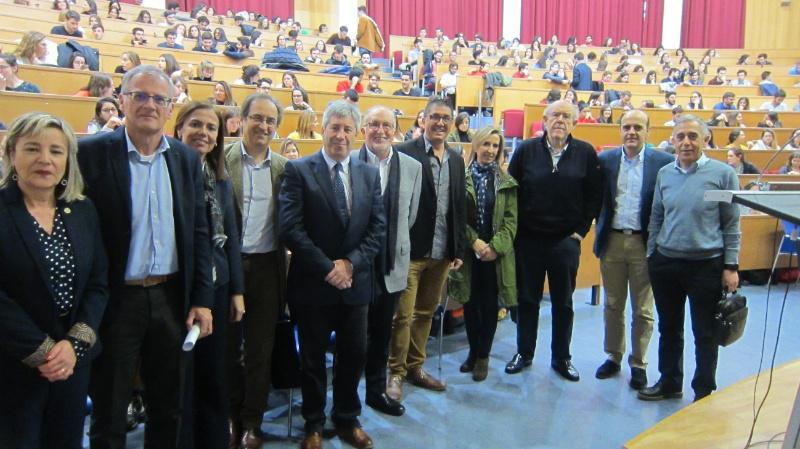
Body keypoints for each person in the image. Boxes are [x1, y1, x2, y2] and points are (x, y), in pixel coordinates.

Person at [79, 65, 214, 449]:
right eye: (139, 95)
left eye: (159, 98)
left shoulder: (187, 160)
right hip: (116, 300)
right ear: (121, 100)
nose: (149, 105)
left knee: (168, 405)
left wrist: (202, 299)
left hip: (170, 297)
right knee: (110, 406)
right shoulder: (90, 154)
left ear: (171, 107)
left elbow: (199, 233)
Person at [277, 100, 386, 449]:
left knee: (354, 355)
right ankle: (313, 423)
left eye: (347, 129)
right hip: (313, 285)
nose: (340, 135)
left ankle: (346, 418)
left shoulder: (369, 174)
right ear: (322, 130)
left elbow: (377, 228)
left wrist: (350, 264)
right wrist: (330, 268)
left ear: (357, 134)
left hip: (355, 285)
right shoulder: (298, 170)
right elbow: (290, 229)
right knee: (311, 359)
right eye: (334, 127)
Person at [0, 112, 108, 449]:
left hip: (72, 362)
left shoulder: (82, 210)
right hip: (13, 363)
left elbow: (98, 282)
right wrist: (43, 351)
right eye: (32, 149)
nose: (45, 159)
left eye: (56, 151)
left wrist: (72, 347)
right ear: (12, 154)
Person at [639, 114, 741, 403]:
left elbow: (731, 224)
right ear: (672, 141)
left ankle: (704, 390)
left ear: (705, 140)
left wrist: (731, 265)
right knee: (669, 328)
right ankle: (670, 382)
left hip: (706, 266)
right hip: (666, 263)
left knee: (705, 332)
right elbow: (657, 216)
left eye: (693, 136)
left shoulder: (722, 175)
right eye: (680, 136)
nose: (686, 142)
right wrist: (652, 255)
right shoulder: (665, 174)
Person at [504, 100, 602, 381]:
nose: (560, 120)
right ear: (544, 121)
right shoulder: (525, 150)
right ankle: (524, 352)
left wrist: (580, 232)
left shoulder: (585, 153)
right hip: (529, 240)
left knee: (563, 303)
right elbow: (511, 190)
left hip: (565, 242)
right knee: (527, 300)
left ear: (575, 123)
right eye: (555, 115)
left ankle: (562, 358)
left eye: (566, 116)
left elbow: (594, 196)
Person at [173, 101, 244, 449]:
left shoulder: (220, 180)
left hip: (219, 286)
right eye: (195, 125)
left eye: (211, 127)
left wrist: (237, 291)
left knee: (215, 373)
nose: (203, 133)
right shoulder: (170, 173)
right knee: (182, 377)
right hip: (181, 289)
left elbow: (231, 237)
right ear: (179, 129)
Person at [387, 99, 467, 401]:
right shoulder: (404, 152)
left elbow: (458, 206)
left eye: (446, 118)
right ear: (423, 120)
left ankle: (415, 367)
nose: (441, 123)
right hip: (410, 253)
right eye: (435, 117)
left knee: (426, 314)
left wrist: (457, 247)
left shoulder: (457, 159)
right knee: (402, 316)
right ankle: (395, 371)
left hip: (441, 253)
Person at [223, 93, 289, 448]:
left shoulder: (283, 168)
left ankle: (252, 422)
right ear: (242, 120)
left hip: (266, 269)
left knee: (261, 351)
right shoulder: (220, 160)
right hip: (230, 267)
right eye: (257, 118)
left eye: (270, 121)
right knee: (229, 350)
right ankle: (231, 416)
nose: (263, 126)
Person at [593, 110, 674, 390]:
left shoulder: (663, 162)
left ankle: (638, 363)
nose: (632, 132)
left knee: (643, 309)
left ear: (648, 131)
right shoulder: (605, 160)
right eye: (627, 127)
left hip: (645, 243)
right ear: (620, 130)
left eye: (638, 127)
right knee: (613, 304)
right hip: (612, 241)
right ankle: (613, 357)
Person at [352, 105, 422, 417]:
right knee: (352, 337)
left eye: (387, 125)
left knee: (382, 334)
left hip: (392, 266)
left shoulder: (412, 167)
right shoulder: (349, 162)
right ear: (362, 129)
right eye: (373, 124)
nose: (380, 131)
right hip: (354, 268)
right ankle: (346, 400)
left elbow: (411, 216)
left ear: (396, 129)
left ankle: (376, 392)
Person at [450, 127, 518, 382]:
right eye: (486, 144)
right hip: (468, 255)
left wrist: (493, 248)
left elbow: (511, 223)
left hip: (494, 257)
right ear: (476, 146)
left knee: (489, 307)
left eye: (495, 146)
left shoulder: (506, 182)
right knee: (470, 305)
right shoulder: (462, 178)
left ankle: (483, 356)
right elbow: (456, 216)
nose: (490, 150)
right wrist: (475, 242)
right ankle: (472, 351)